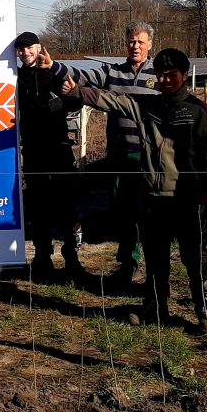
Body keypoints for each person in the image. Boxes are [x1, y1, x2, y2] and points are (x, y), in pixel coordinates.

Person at [46, 46, 207, 331]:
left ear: (185, 75)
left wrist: (206, 193)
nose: (166, 80)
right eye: (161, 75)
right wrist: (78, 92)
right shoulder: (147, 106)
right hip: (153, 200)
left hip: (188, 201)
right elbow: (113, 100)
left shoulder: (198, 112)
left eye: (172, 75)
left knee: (196, 258)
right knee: (155, 259)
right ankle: (155, 309)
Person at [64, 22, 157, 286]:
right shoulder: (113, 72)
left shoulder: (159, 75)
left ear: (149, 44)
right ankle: (128, 263)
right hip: (119, 155)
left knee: (147, 212)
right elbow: (85, 77)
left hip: (148, 157)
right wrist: (54, 68)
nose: (135, 46)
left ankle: (150, 268)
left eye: (140, 42)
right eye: (130, 41)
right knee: (124, 210)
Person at [14, 31, 84, 281]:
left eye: (29, 48)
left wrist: (64, 104)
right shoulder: (15, 77)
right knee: (38, 205)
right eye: (21, 49)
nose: (25, 53)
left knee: (66, 205)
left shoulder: (52, 72)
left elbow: (77, 99)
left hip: (58, 146)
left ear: (39, 47)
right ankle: (42, 257)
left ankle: (72, 258)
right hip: (32, 149)